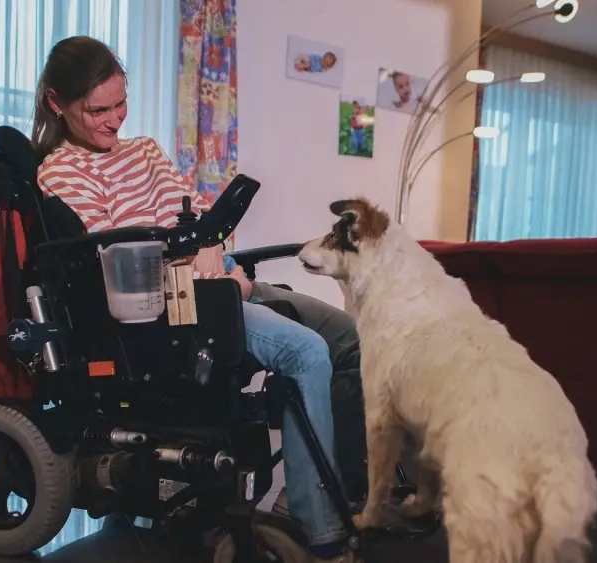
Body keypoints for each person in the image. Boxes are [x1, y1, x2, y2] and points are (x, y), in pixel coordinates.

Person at [31, 35, 360, 563]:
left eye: (120, 103)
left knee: (348, 338)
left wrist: (217, 254)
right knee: (307, 352)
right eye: (98, 110)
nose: (115, 119)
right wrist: (214, 277)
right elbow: (119, 266)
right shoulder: (60, 173)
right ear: (56, 103)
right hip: (174, 309)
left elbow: (199, 216)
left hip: (219, 283)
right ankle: (318, 525)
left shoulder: (144, 151)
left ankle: (336, 487)